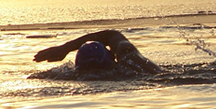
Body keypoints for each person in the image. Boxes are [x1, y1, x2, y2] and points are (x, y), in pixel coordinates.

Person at [33, 29, 161, 74]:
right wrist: (65, 48)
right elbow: (112, 35)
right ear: (111, 57)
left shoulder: (72, 76)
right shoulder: (131, 62)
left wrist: (64, 49)